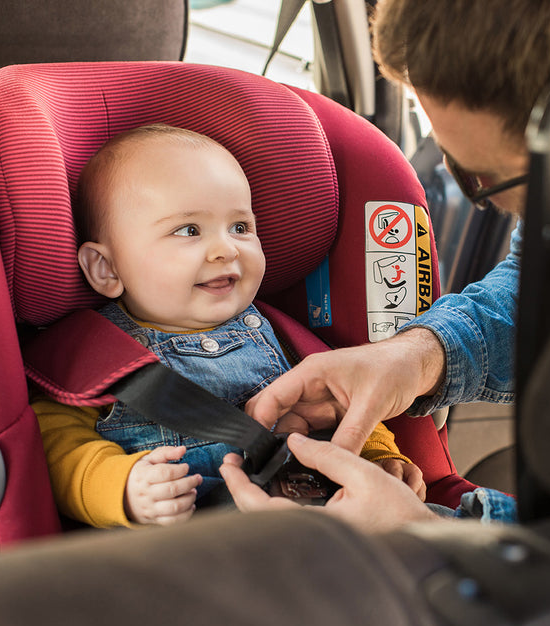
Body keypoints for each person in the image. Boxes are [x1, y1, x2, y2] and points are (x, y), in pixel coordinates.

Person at [220, 0, 550, 530]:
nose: (485, 200)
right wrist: (419, 355)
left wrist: (428, 536)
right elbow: (541, 284)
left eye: (488, 177)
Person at [32, 123, 424, 529]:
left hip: (328, 519)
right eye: (188, 230)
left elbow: (343, 403)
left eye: (240, 227)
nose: (226, 249)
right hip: (205, 548)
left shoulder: (280, 335)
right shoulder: (91, 357)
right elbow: (57, 448)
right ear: (106, 268)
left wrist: (379, 456)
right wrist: (124, 488)